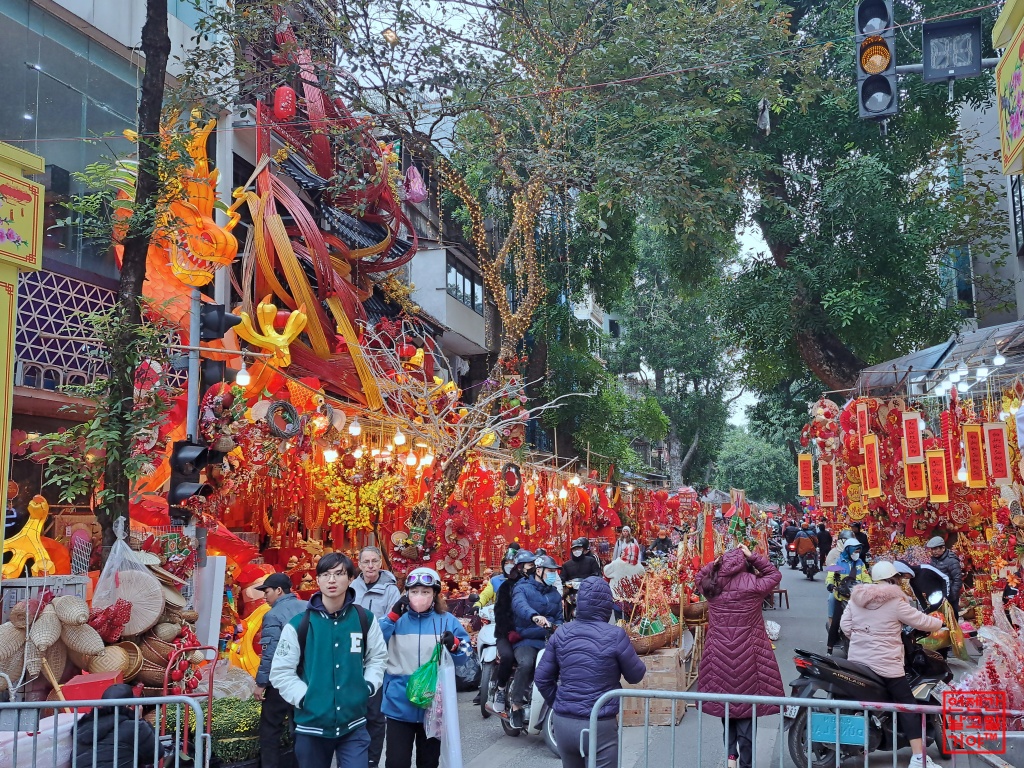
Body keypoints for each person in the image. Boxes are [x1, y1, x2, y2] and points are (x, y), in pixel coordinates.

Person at [270, 552, 389, 768]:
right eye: (325, 574)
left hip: (353, 724)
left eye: (338, 574)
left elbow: (377, 657)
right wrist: (305, 697)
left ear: (351, 578)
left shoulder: (364, 619)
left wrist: (368, 686)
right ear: (317, 580)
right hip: (311, 726)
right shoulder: (299, 624)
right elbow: (281, 671)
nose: (331, 580)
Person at [535, 577, 647, 768]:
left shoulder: (561, 632)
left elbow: (541, 677)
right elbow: (636, 675)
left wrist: (559, 701)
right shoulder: (615, 635)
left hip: (563, 722)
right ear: (607, 605)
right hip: (599, 723)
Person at [842, 561, 944, 768]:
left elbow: (845, 626)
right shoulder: (895, 602)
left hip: (858, 662)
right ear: (892, 579)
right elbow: (922, 622)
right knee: (907, 705)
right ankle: (918, 758)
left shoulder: (856, 599)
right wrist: (940, 622)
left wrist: (862, 640)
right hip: (886, 665)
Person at [696, 545, 784, 768]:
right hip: (750, 655)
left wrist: (714, 564)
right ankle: (746, 762)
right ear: (745, 564)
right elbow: (774, 574)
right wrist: (753, 556)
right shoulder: (753, 584)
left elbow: (698, 576)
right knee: (746, 709)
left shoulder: (712, 584)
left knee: (727, 707)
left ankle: (730, 756)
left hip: (718, 654)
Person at [379, 567, 471, 768]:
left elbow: (467, 652)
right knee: (396, 762)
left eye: (425, 592)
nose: (419, 596)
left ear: (435, 594)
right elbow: (373, 643)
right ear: (406, 594)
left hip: (433, 706)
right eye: (414, 591)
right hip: (398, 703)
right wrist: (392, 618)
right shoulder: (395, 620)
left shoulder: (447, 620)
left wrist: (455, 644)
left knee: (428, 762)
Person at [352, 546, 401, 768]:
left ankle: (371, 760)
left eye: (374, 561)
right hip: (352, 656)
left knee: (374, 713)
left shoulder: (391, 590)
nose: (370, 566)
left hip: (378, 657)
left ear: (380, 563)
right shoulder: (351, 588)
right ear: (359, 564)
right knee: (354, 710)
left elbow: (393, 622)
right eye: (366, 562)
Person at [254, 572, 308, 768]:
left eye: (267, 591)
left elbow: (270, 653)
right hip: (307, 678)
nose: (264, 597)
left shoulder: (273, 615)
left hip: (282, 680)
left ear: (278, 590)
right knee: (303, 729)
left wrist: (261, 683)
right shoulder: (308, 607)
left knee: (270, 728)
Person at [510, 553, 564, 729]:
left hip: (548, 640)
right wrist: (534, 616)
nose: (553, 575)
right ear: (538, 570)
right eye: (550, 571)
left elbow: (559, 618)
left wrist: (558, 627)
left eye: (555, 572)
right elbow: (519, 605)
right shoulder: (522, 588)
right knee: (526, 664)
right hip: (526, 639)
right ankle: (516, 705)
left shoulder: (555, 594)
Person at [490, 549, 534, 713]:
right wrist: (509, 631)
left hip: (528, 634)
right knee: (508, 657)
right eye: (529, 565)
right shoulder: (506, 587)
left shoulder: (536, 586)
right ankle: (501, 689)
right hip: (506, 635)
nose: (532, 568)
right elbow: (500, 613)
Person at [74, 683, 158, 768]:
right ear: (128, 707)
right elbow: (157, 753)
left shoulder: (84, 728)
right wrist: (139, 718)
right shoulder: (135, 727)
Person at [825, 540, 872, 654]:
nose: (857, 553)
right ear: (848, 550)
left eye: (858, 551)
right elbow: (830, 577)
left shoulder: (860, 563)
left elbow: (866, 577)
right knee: (836, 623)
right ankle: (829, 649)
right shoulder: (837, 563)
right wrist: (830, 585)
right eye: (855, 551)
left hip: (858, 599)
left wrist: (869, 585)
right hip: (842, 598)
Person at [603, 542, 645, 621]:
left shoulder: (617, 563)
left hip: (618, 601)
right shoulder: (640, 568)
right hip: (633, 602)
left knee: (619, 622)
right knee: (632, 623)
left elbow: (606, 571)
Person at [926, 535, 962, 618]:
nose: (933, 551)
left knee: (951, 617)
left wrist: (951, 595)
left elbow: (957, 580)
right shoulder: (933, 560)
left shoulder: (951, 560)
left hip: (950, 595)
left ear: (943, 548)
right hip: (937, 594)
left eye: (936, 549)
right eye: (932, 549)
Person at [474, 544, 520, 608]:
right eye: (506, 563)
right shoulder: (495, 580)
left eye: (512, 563)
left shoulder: (524, 580)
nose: (509, 566)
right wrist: (477, 605)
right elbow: (485, 595)